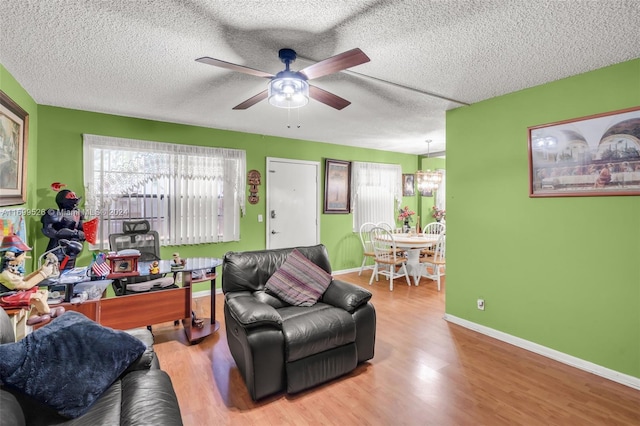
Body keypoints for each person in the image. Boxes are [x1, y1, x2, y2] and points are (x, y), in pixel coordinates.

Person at [41, 189, 86, 270]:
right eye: (71, 197)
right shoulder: (54, 213)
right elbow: (48, 231)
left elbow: (80, 227)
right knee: (53, 274)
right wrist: (71, 233)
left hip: (72, 249)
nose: (74, 200)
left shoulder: (78, 213)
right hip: (57, 249)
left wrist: (84, 234)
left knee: (69, 274)